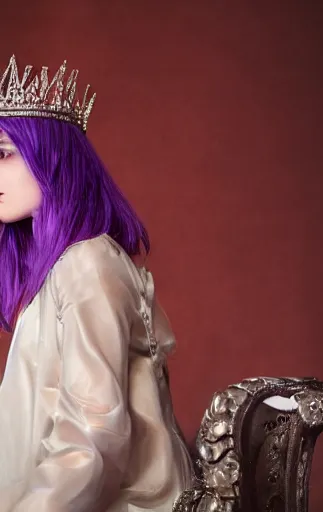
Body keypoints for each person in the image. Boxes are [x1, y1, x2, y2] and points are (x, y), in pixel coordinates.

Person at [0, 55, 194, 511]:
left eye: (4, 153)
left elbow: (94, 432)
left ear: (51, 156)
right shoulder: (60, 269)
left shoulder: (87, 264)